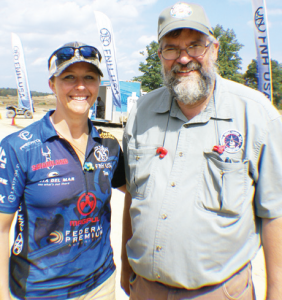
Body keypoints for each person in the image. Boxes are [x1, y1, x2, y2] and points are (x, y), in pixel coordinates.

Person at [121, 2, 282, 299]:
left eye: (195, 46)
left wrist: (276, 291)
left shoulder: (257, 115)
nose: (184, 58)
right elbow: (133, 195)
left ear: (215, 49)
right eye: (171, 48)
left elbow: (275, 213)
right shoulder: (141, 113)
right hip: (145, 289)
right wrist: (126, 267)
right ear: (160, 56)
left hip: (219, 292)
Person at [0, 41, 126, 300]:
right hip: (40, 290)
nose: (80, 86)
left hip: (101, 285)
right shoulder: (19, 147)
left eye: (89, 78)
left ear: (97, 85)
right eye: (69, 77)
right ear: (52, 84)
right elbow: (1, 229)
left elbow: (139, 195)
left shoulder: (109, 144)